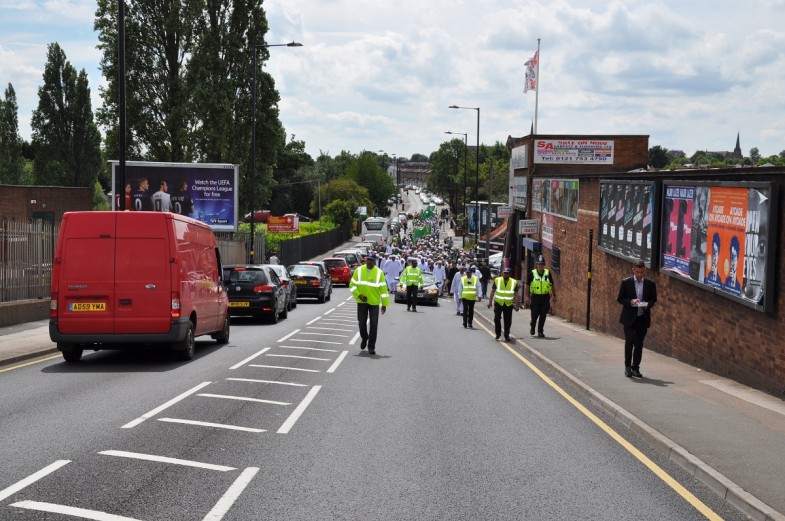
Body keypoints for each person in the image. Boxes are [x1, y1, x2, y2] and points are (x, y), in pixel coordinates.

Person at [617, 258, 657, 378]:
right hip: (629, 318)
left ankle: (636, 368)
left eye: (642, 272)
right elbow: (620, 299)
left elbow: (653, 299)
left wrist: (646, 304)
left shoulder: (650, 284)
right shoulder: (626, 282)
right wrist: (631, 301)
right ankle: (627, 367)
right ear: (633, 270)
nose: (639, 275)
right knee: (629, 341)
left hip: (642, 318)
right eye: (637, 272)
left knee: (639, 344)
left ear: (644, 270)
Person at [349, 253, 389, 355]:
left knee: (374, 325)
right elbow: (352, 285)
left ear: (375, 261)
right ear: (365, 260)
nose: (369, 261)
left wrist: (384, 304)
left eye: (372, 260)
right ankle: (364, 338)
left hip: (374, 302)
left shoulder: (379, 273)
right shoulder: (358, 271)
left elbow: (384, 290)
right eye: (368, 259)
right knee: (361, 323)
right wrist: (359, 295)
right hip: (361, 301)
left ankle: (371, 346)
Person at [525, 255, 556, 338]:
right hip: (535, 297)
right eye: (539, 264)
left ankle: (540, 331)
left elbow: (552, 284)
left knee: (543, 315)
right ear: (536, 264)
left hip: (545, 297)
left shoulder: (547, 273)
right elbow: (527, 286)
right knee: (535, 314)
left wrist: (554, 295)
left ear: (544, 265)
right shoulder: (532, 273)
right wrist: (527, 296)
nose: (540, 266)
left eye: (542, 264)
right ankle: (532, 325)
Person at [487, 267, 520, 341]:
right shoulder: (497, 280)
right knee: (497, 318)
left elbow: (516, 294)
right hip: (498, 303)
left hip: (508, 304)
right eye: (504, 273)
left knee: (508, 321)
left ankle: (506, 335)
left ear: (510, 274)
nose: (505, 274)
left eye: (507, 273)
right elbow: (492, 291)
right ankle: (498, 333)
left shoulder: (514, 282)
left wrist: (517, 305)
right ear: (502, 273)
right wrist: (490, 302)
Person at [460, 264, 482, 329]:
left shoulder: (475, 279)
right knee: (465, 309)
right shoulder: (463, 279)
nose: (467, 274)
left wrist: (480, 295)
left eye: (469, 273)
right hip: (465, 297)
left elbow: (479, 287)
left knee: (471, 310)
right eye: (467, 273)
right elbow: (460, 288)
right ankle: (464, 322)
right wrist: (459, 296)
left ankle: (470, 322)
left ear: (471, 273)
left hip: (472, 297)